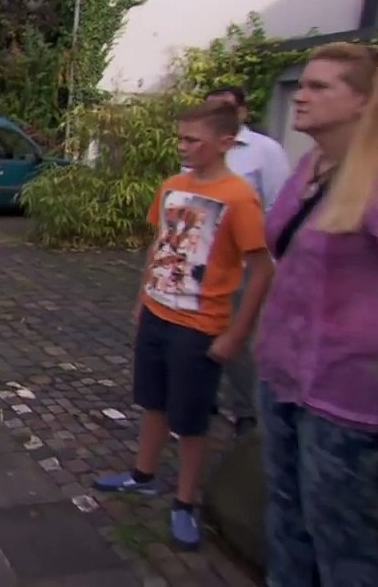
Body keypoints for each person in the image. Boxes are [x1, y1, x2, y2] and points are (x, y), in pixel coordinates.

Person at [254, 43, 378, 586]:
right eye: (304, 83)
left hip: (350, 402)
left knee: (343, 543)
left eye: (321, 87)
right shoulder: (310, 167)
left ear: (364, 102)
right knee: (286, 522)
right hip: (282, 382)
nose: (301, 94)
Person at [93, 99, 274, 551]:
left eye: (193, 140)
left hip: (201, 323)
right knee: (152, 402)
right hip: (157, 313)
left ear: (225, 143)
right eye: (180, 138)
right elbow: (159, 245)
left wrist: (235, 333)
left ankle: (185, 501)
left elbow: (263, 270)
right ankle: (143, 475)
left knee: (191, 419)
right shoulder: (172, 185)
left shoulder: (239, 198)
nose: (182, 147)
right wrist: (142, 300)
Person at [205, 86, 291, 436]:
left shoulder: (264, 151)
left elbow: (278, 205)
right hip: (202, 262)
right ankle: (205, 396)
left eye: (225, 108)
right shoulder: (203, 146)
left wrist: (262, 256)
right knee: (200, 331)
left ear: (242, 112)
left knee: (237, 338)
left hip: (242, 263)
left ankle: (246, 411)